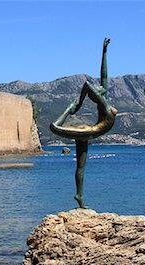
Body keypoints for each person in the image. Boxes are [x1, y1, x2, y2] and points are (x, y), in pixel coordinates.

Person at [50, 38, 117, 209]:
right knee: (54, 127)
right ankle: (67, 109)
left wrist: (104, 52)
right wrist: (76, 105)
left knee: (81, 165)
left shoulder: (105, 103)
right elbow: (92, 83)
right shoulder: (106, 106)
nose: (101, 89)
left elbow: (100, 79)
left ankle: (79, 195)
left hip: (88, 132)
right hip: (88, 132)